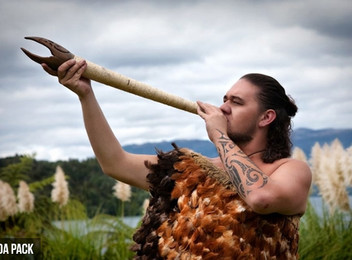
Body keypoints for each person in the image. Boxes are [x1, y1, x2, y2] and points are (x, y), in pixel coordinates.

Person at [42, 59, 312, 257]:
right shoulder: (191, 170)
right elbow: (115, 163)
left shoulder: (291, 170)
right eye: (224, 99)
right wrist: (85, 95)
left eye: (237, 102)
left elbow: (260, 198)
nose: (223, 108)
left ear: (266, 117)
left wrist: (219, 135)